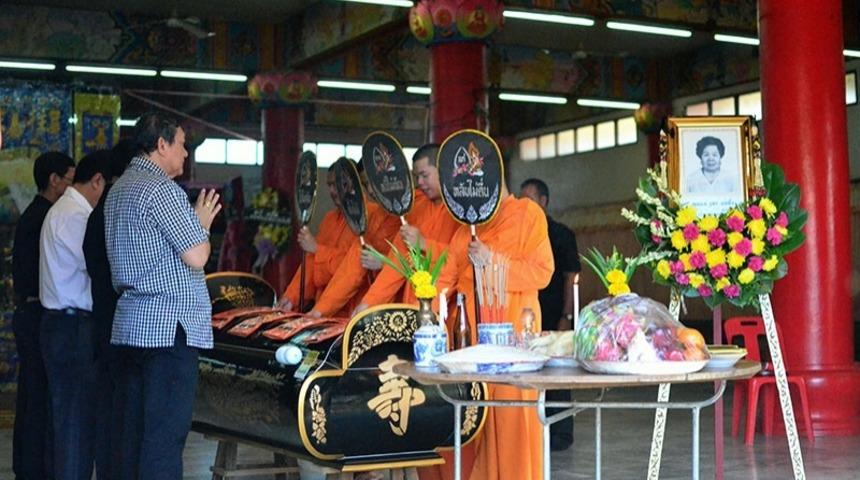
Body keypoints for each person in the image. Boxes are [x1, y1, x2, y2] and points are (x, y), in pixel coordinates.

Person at [105, 112, 221, 480]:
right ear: (161, 145)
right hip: (168, 331)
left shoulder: (119, 188)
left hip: (132, 327)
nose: (185, 154)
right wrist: (200, 223)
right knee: (164, 437)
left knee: (132, 434)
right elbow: (198, 256)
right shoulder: (162, 191)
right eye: (182, 145)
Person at [435, 181, 554, 480]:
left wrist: (492, 261)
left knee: (513, 419)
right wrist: (427, 306)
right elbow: (445, 281)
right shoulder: (466, 228)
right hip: (471, 340)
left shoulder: (528, 214)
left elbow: (542, 272)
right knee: (475, 421)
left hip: (515, 336)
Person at [39, 150, 110, 480]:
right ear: (97, 180)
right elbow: (95, 266)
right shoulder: (75, 216)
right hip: (72, 327)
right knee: (76, 427)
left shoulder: (64, 210)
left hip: (64, 325)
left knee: (69, 423)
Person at [11, 151, 75, 480]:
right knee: (38, 398)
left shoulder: (34, 215)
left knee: (31, 396)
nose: (71, 188)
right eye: (69, 180)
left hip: (28, 311)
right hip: (38, 313)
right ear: (54, 180)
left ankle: (27, 467)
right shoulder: (47, 218)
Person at [82, 140, 136, 480]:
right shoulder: (124, 210)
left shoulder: (99, 212)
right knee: (124, 415)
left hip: (102, 322)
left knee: (108, 412)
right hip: (123, 326)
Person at [353, 143, 461, 311]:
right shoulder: (415, 208)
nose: (419, 182)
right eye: (416, 176)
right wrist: (367, 304)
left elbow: (463, 259)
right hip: (412, 305)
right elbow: (395, 265)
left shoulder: (462, 210)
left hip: (448, 309)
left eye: (424, 175)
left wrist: (425, 244)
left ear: (443, 169)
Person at [519, 178, 580, 452]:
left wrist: (567, 314)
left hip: (556, 312)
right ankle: (532, 433)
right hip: (527, 313)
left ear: (544, 201)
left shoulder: (561, 234)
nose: (524, 206)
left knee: (558, 372)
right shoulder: (521, 232)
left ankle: (561, 433)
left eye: (530, 200)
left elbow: (571, 277)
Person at [307, 158, 401, 318]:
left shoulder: (371, 213)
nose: (370, 190)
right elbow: (352, 265)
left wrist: (385, 263)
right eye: (365, 185)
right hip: (351, 304)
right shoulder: (366, 216)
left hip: (394, 305)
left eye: (338, 184)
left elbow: (440, 262)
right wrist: (316, 310)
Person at [278, 164, 358, 315]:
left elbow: (353, 267)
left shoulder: (367, 218)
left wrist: (317, 248)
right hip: (321, 309)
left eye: (339, 184)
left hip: (353, 309)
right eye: (330, 185)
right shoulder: (329, 219)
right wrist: (291, 297)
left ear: (354, 183)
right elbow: (311, 262)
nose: (333, 191)